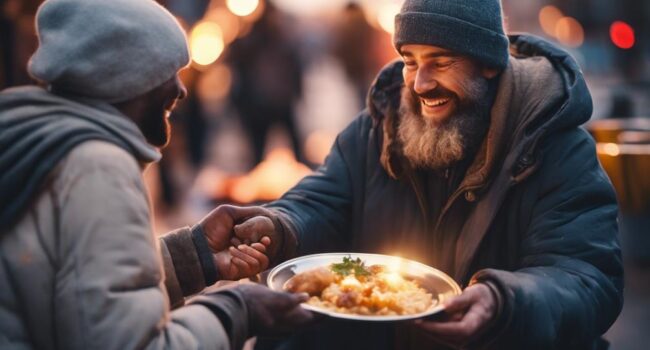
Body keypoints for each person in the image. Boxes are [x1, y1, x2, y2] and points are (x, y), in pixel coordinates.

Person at [205, 0, 624, 349]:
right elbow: (323, 200)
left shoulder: (556, 147)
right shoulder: (376, 130)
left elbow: (586, 277)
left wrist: (504, 303)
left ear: (488, 65)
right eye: (409, 62)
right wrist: (280, 226)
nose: (420, 84)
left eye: (440, 63)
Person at [0, 0, 313, 349]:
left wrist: (192, 255)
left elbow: (81, 293)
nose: (181, 90)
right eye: (168, 72)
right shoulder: (98, 167)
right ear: (127, 77)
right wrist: (237, 309)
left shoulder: (44, 139)